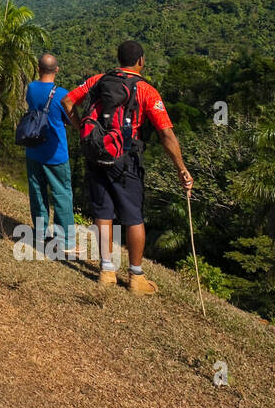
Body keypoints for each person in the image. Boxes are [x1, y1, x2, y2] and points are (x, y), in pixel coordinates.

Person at [61, 40, 193, 294]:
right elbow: (166, 135)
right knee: (133, 216)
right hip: (127, 159)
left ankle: (107, 271)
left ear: (118, 59)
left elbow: (67, 102)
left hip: (97, 154)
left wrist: (81, 130)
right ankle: (135, 276)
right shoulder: (147, 90)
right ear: (141, 61)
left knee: (103, 213)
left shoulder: (98, 80)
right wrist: (181, 168)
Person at [23, 53, 77, 257]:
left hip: (33, 149)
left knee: (37, 192)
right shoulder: (63, 94)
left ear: (38, 69)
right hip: (56, 153)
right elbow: (72, 120)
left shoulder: (31, 88)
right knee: (62, 194)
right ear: (57, 70)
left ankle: (40, 233)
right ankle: (65, 240)